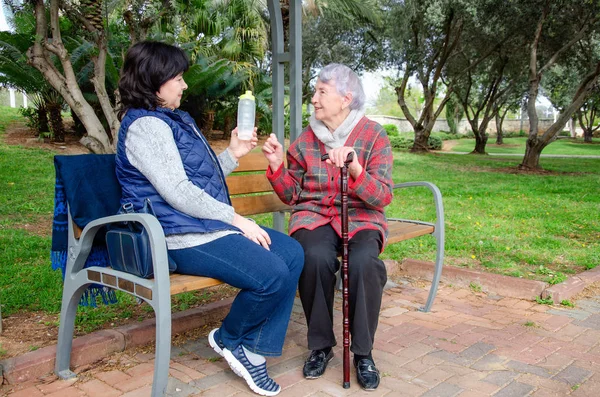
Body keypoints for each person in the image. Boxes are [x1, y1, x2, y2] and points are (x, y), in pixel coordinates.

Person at [116, 41, 303, 397]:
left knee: (291, 252)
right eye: (178, 78)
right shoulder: (145, 127)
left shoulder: (174, 119)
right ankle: (230, 338)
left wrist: (232, 153)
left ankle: (253, 348)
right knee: (272, 273)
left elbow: (197, 178)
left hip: (203, 226)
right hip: (176, 235)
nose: (184, 85)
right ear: (154, 79)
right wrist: (236, 219)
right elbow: (178, 193)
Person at [262, 63, 393, 391]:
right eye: (315, 91)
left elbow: (382, 197)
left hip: (362, 217)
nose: (315, 99)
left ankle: (363, 352)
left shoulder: (373, 135)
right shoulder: (306, 139)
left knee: (364, 263)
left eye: (322, 92)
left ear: (346, 98)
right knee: (313, 256)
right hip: (315, 215)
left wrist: (357, 170)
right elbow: (292, 193)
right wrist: (278, 167)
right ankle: (321, 345)